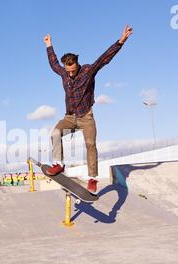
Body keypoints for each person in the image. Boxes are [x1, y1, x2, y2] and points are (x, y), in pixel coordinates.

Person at [43, 25, 133, 194]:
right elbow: (53, 64)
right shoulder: (63, 73)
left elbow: (104, 58)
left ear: (77, 64)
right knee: (55, 133)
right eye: (67, 71)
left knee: (90, 144)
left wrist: (121, 41)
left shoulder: (87, 71)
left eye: (72, 70)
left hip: (86, 118)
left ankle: (92, 178)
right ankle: (59, 164)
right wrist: (49, 45)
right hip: (69, 118)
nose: (70, 74)